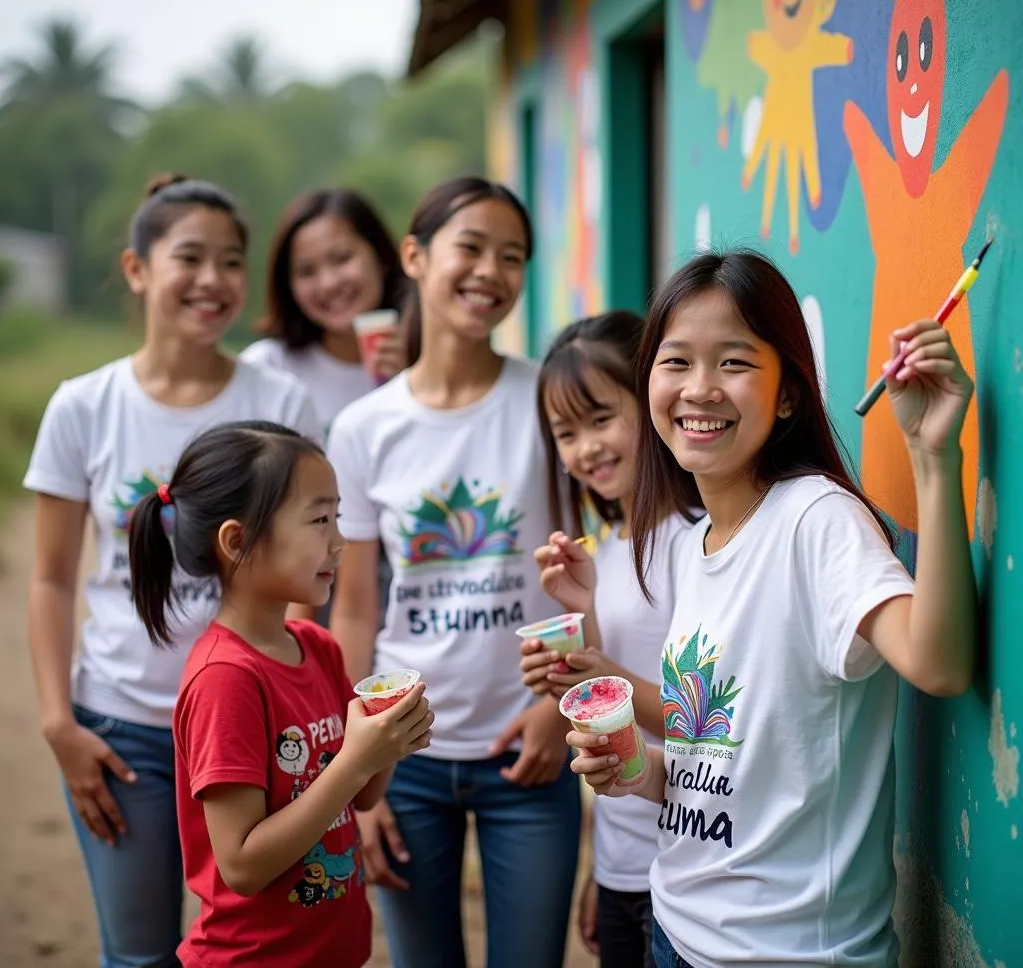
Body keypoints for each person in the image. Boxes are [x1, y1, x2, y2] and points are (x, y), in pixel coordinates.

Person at [569, 249, 978, 968]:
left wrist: (932, 456)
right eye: (676, 362)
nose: (699, 389)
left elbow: (938, 664)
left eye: (733, 363)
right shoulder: (695, 546)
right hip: (676, 928)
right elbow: (723, 762)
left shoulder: (815, 520)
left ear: (788, 394)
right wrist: (638, 773)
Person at [23, 175, 321, 968]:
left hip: (258, 731)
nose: (214, 280)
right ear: (136, 268)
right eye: (190, 257)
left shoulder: (280, 400)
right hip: (124, 735)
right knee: (141, 953)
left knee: (270, 948)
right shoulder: (82, 407)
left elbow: (313, 566)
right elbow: (51, 578)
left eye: (232, 261)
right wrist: (61, 724)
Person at [327, 177, 581, 968]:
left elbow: (583, 569)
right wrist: (355, 773)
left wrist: (556, 708)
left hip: (530, 750)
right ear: (414, 255)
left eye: (512, 257)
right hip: (405, 758)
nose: (491, 272)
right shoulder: (364, 428)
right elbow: (357, 608)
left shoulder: (546, 397)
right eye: (470, 246)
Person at [126, 420, 433, 966]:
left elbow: (360, 796)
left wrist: (389, 743)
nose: (339, 541)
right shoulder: (226, 679)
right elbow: (241, 865)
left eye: (337, 517)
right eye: (319, 520)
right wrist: (355, 761)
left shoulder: (317, 646)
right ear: (237, 541)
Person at [519, 311, 696, 968]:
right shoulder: (610, 551)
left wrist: (599, 671)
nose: (585, 448)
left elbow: (701, 715)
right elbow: (605, 732)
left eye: (600, 419)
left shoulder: (700, 539)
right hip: (624, 863)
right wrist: (601, 869)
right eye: (567, 433)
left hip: (690, 861)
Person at [240, 188, 413, 437]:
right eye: (307, 271)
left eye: (341, 259)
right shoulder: (266, 368)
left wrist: (413, 388)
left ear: (382, 258)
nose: (328, 283)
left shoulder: (425, 361)